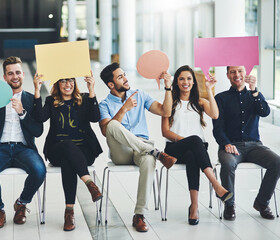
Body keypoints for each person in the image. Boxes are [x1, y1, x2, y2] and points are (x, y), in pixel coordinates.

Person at [98, 62, 177, 232]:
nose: (125, 79)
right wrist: (123, 110)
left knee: (149, 161)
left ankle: (139, 214)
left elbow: (166, 111)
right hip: (121, 152)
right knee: (112, 125)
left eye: (124, 74)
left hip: (141, 149)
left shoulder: (139, 95)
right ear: (111, 84)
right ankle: (156, 152)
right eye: (120, 77)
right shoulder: (104, 105)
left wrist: (168, 88)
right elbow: (106, 131)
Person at [0, 56, 46, 229]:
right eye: (10, 73)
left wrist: (22, 113)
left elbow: (38, 131)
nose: (15, 76)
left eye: (18, 72)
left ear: (23, 75)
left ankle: (21, 203)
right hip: (0, 148)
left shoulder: (31, 99)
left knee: (39, 170)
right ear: (5, 77)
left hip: (24, 148)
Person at [161, 65, 232, 225]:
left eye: (189, 79)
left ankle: (194, 206)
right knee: (194, 141)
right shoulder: (170, 102)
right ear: (176, 82)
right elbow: (165, 131)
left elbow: (215, 114)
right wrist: (186, 141)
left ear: (193, 82)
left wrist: (209, 89)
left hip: (197, 150)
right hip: (174, 149)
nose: (185, 82)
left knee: (193, 155)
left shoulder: (200, 102)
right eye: (181, 79)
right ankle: (216, 185)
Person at [34, 73, 103, 231]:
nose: (67, 84)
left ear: (75, 82)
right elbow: (40, 117)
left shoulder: (84, 99)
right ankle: (89, 183)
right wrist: (37, 90)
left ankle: (69, 212)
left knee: (69, 160)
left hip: (85, 151)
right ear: (58, 84)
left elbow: (95, 117)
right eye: (63, 81)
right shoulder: (51, 101)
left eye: (70, 80)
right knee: (67, 146)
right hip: (56, 149)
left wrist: (91, 90)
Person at [213, 65, 280, 220]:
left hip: (254, 145)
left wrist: (254, 90)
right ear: (228, 75)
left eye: (240, 71)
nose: (237, 74)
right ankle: (229, 205)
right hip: (230, 146)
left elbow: (265, 112)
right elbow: (218, 128)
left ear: (246, 73)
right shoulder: (221, 98)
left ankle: (262, 203)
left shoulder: (255, 95)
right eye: (233, 72)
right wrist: (226, 144)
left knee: (277, 162)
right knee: (228, 164)